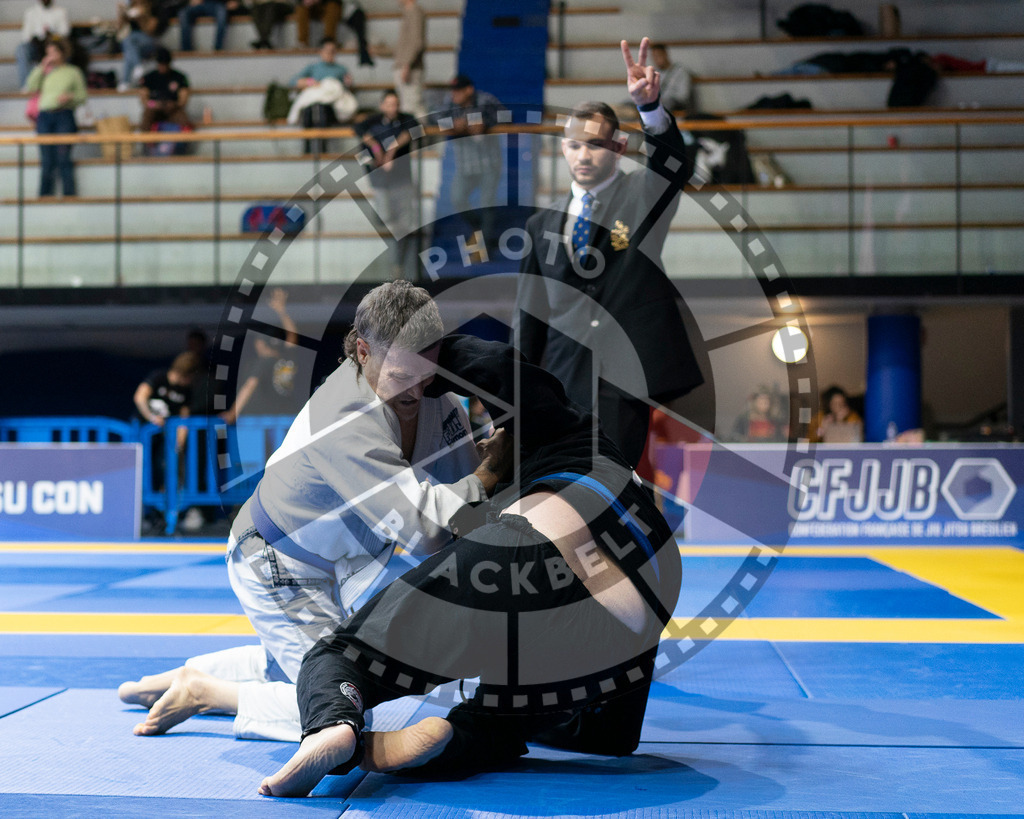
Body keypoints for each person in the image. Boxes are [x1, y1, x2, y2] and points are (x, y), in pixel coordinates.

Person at [257, 332, 683, 796]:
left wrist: (418, 361)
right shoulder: (604, 463)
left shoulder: (562, 432)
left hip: (543, 550)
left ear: (509, 432)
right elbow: (613, 737)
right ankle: (463, 736)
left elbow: (499, 363)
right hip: (641, 612)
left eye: (489, 432)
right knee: (502, 720)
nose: (483, 441)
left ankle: (333, 726)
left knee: (338, 654)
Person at [119, 281, 512, 742]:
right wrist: (491, 470)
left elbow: (465, 502)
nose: (417, 389)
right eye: (402, 375)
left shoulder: (436, 396)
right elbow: (426, 527)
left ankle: (183, 676)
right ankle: (205, 692)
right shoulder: (345, 419)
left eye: (427, 371)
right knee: (343, 697)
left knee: (334, 659)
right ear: (363, 351)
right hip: (276, 562)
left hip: (345, 560)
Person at [512, 38, 704, 467]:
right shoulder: (540, 225)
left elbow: (671, 166)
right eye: (575, 145)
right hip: (562, 380)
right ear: (563, 149)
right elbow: (529, 317)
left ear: (618, 148)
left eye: (596, 144)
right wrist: (515, 389)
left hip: (624, 375)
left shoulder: (641, 195)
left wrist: (651, 108)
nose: (584, 154)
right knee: (563, 487)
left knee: (612, 482)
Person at [431, 74, 505, 249]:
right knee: (457, 198)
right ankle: (477, 228)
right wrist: (453, 124)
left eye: (458, 91)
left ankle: (484, 246)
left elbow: (506, 115)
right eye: (453, 91)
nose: (454, 95)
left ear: (469, 90)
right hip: (465, 164)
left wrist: (486, 123)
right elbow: (432, 117)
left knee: (487, 204)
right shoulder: (451, 104)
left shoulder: (485, 100)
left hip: (489, 162)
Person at [355, 90, 421, 279]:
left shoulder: (407, 119)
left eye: (396, 104)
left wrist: (391, 150)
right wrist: (377, 149)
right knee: (386, 217)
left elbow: (412, 132)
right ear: (382, 105)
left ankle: (399, 265)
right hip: (382, 182)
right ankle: (395, 260)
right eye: (389, 104)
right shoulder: (373, 121)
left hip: (402, 179)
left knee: (405, 225)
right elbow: (359, 130)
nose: (393, 108)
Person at [218, 288, 303, 422]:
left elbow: (250, 385)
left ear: (260, 344)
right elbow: (292, 336)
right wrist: (281, 311)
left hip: (265, 423)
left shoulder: (264, 361)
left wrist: (232, 413)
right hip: (288, 419)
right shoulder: (288, 358)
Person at [25, 37, 86, 198]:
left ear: (62, 53)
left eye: (54, 52)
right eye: (48, 52)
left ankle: (69, 195)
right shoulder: (45, 71)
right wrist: (41, 68)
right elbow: (31, 86)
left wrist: (70, 97)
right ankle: (44, 197)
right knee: (46, 160)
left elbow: (82, 96)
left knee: (63, 158)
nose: (51, 55)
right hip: (45, 116)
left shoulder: (72, 72)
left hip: (64, 116)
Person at [288, 37, 356, 152]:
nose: (330, 54)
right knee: (311, 108)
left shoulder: (341, 69)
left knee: (320, 108)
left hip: (331, 105)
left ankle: (323, 148)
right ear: (320, 51)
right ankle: (307, 147)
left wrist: (347, 83)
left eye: (333, 51)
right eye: (327, 51)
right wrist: (309, 82)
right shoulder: (313, 67)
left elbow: (344, 89)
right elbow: (293, 81)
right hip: (314, 100)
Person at [16, 0, 70, 91]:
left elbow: (65, 32)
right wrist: (38, 36)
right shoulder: (31, 12)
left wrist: (52, 35)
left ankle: (66, 85)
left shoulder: (61, 11)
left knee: (66, 48)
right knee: (21, 49)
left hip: (54, 43)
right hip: (36, 44)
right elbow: (25, 36)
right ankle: (26, 86)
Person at [139, 47, 193, 134]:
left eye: (165, 64)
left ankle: (181, 145)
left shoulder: (179, 77)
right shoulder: (149, 77)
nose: (163, 67)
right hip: (154, 108)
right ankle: (146, 144)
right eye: (161, 64)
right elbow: (143, 98)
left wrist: (174, 104)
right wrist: (154, 104)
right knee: (146, 118)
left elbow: (183, 99)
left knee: (185, 123)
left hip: (173, 109)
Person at [116, 0, 163, 91]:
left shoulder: (152, 11)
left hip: (149, 43)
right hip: (135, 46)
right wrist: (121, 14)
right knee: (128, 50)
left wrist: (141, 17)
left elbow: (150, 31)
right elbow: (119, 29)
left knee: (129, 40)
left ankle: (126, 80)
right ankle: (134, 70)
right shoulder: (130, 10)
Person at [392, 0, 426, 118]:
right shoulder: (408, 12)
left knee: (412, 107)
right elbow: (402, 47)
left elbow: (417, 42)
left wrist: (407, 65)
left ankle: (418, 136)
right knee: (406, 106)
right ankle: (412, 135)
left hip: (410, 68)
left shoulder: (415, 11)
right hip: (405, 66)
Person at [649, 43, 694, 115]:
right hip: (659, 103)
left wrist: (665, 98)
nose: (656, 59)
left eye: (658, 56)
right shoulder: (654, 74)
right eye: (654, 57)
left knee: (665, 103)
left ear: (665, 54)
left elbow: (683, 96)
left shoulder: (680, 71)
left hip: (675, 103)